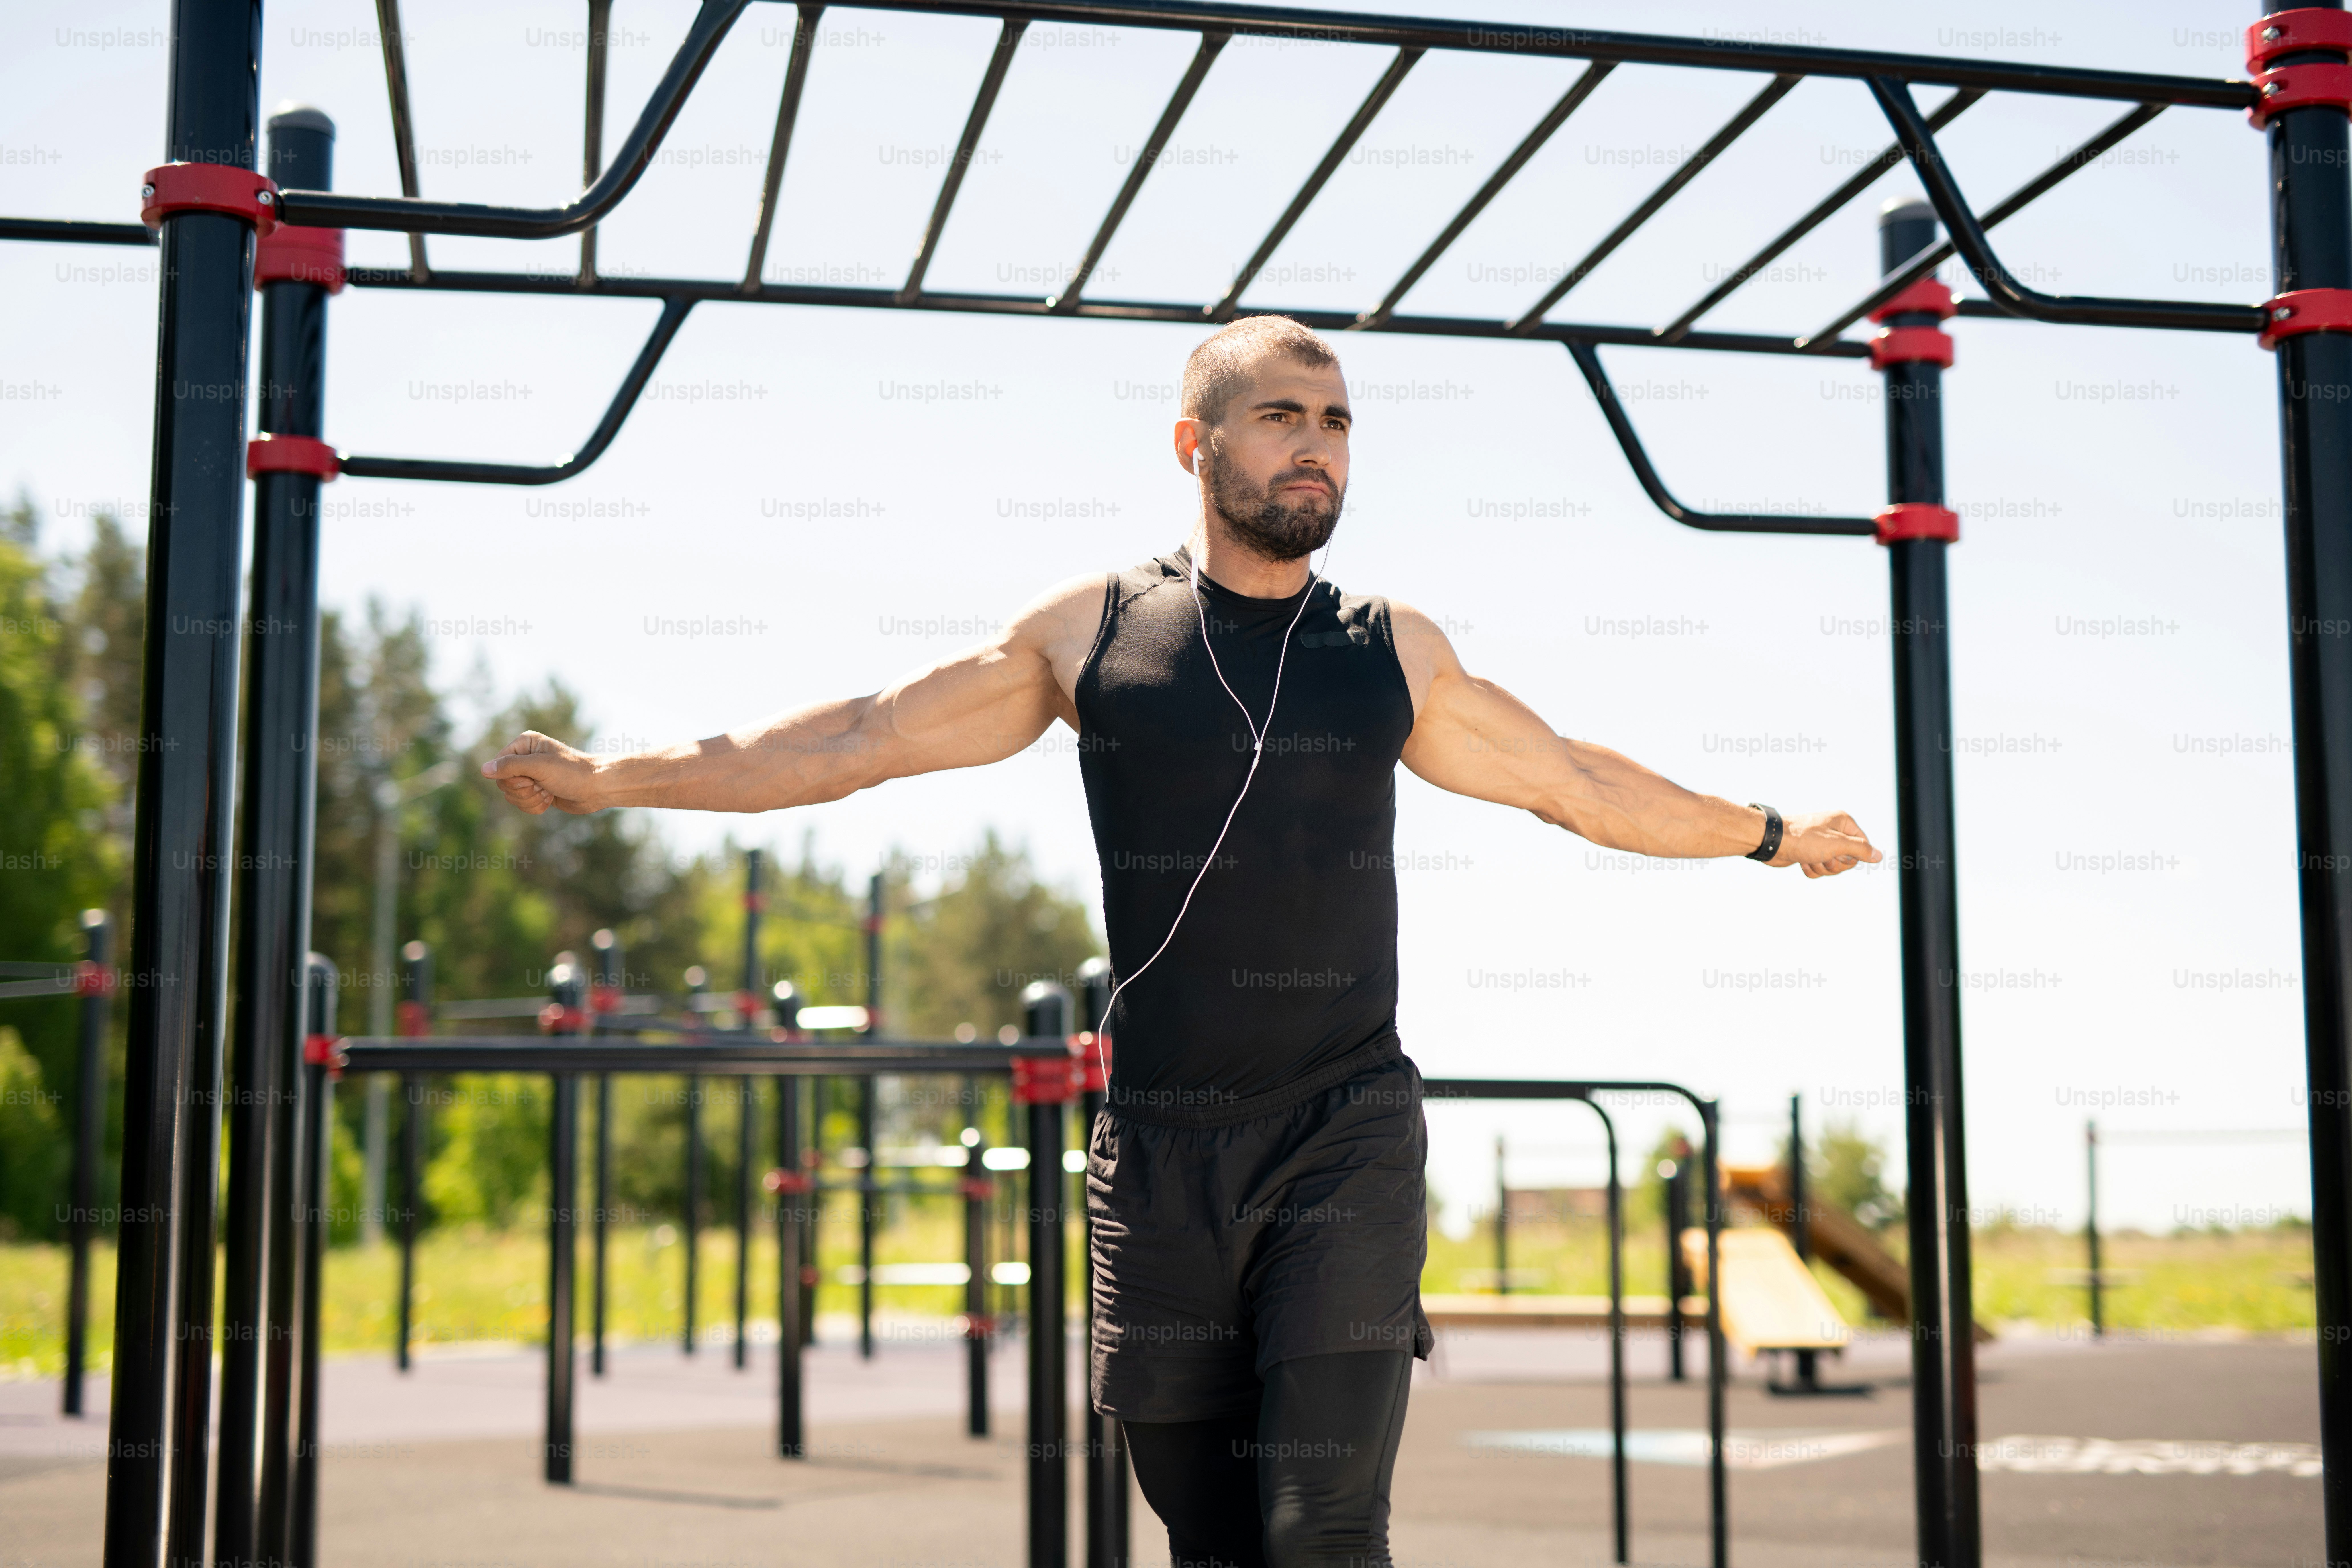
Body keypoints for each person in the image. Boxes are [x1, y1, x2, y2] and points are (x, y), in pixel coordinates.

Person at [482, 315, 1882, 1568]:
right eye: (1282, 415)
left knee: (1319, 1526)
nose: (1316, 449)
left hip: (1345, 1129)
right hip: (1157, 1151)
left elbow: (1574, 778)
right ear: (1194, 442)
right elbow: (854, 741)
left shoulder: (1390, 648)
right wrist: (614, 776)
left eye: (1336, 422)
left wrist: (1767, 830)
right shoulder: (1095, 633)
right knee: (1210, 1534)